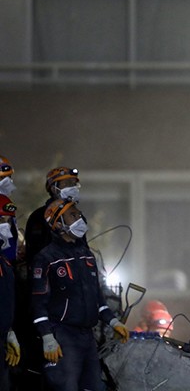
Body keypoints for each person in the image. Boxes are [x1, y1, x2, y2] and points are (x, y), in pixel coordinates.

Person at [31, 198, 129, 391]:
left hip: (87, 337)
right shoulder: (46, 258)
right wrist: (47, 338)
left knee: (95, 387)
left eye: (79, 214)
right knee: (65, 386)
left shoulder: (86, 255)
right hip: (63, 337)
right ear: (57, 223)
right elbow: (37, 304)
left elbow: (97, 298)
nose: (80, 218)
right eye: (72, 215)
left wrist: (113, 321)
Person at [24, 167, 82, 264]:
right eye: (67, 184)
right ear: (54, 189)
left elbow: (82, 247)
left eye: (74, 184)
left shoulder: (77, 216)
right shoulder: (39, 217)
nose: (72, 187)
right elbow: (36, 251)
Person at [1, 196, 20, 390]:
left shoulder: (5, 263)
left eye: (8, 221)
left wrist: (9, 332)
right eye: (1, 220)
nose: (5, 226)